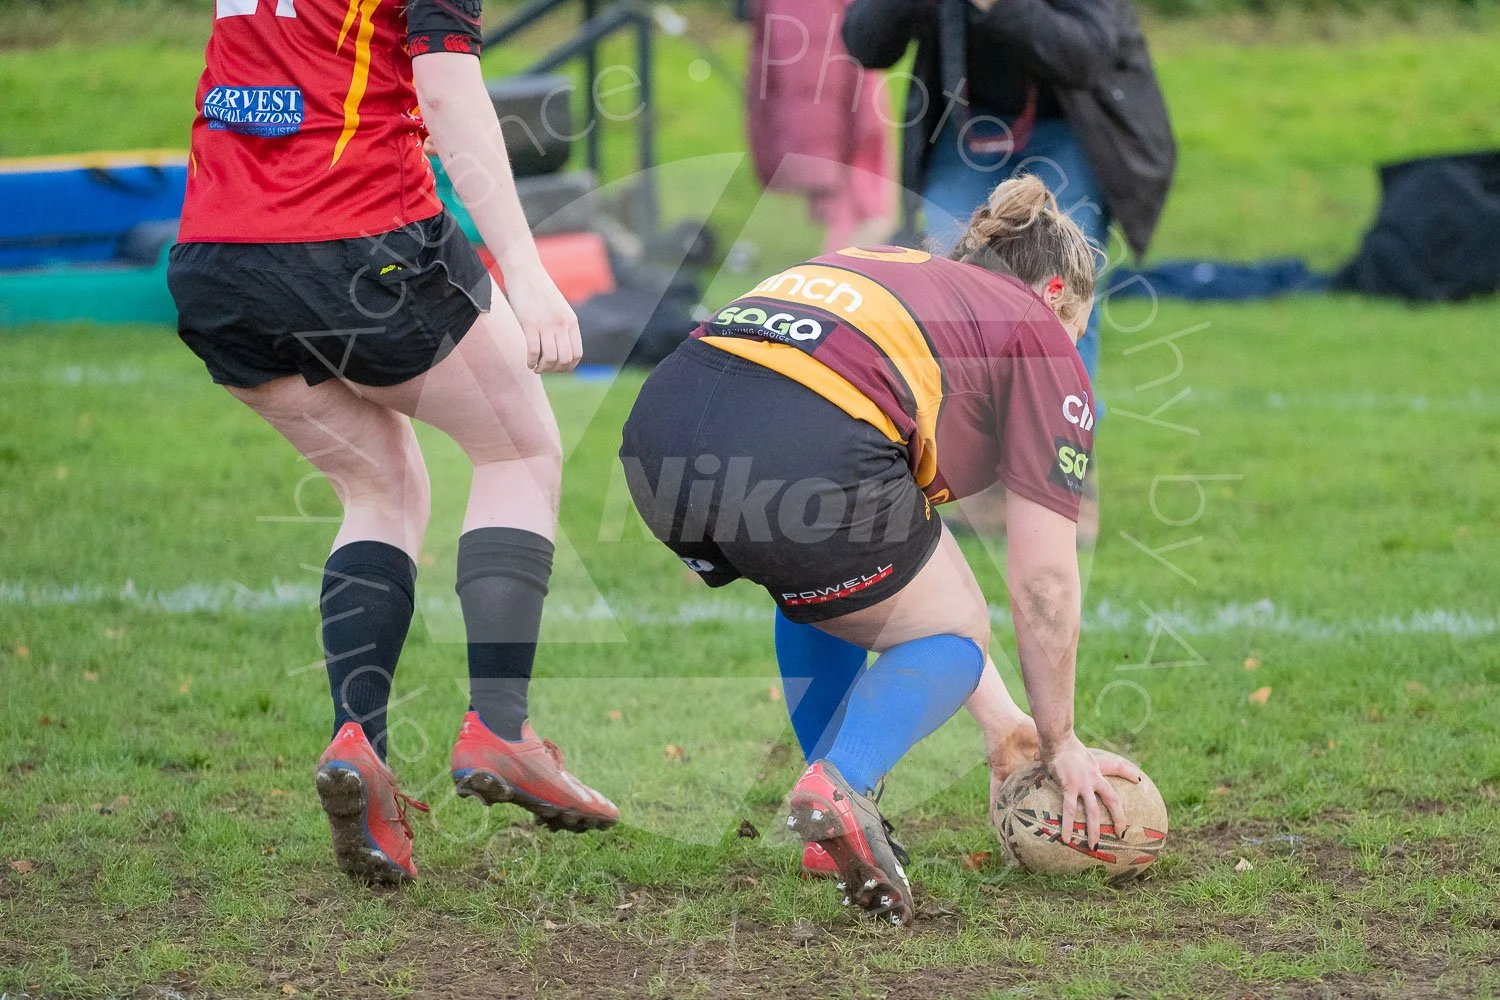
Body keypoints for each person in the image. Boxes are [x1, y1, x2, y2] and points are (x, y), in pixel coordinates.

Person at [167, 0, 617, 885]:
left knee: (384, 489)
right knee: (519, 451)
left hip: (216, 253)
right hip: (352, 232)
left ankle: (357, 746)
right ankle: (500, 728)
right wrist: (528, 274)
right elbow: (446, 92)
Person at [619, 175, 1141, 926]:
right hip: (802, 438)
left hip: (661, 431)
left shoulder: (898, 272)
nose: (1073, 348)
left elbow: (902, 573)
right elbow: (1047, 581)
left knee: (830, 589)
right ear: (1054, 291)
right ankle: (842, 780)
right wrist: (1058, 741)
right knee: (955, 634)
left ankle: (823, 815)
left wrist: (1005, 727)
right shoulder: (1032, 330)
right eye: (1077, 326)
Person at [841, 0, 1176, 383]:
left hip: (1072, 132)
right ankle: (958, 433)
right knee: (951, 294)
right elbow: (864, 44)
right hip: (966, 129)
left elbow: (1087, 55)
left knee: (1060, 301)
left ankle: (1065, 437)